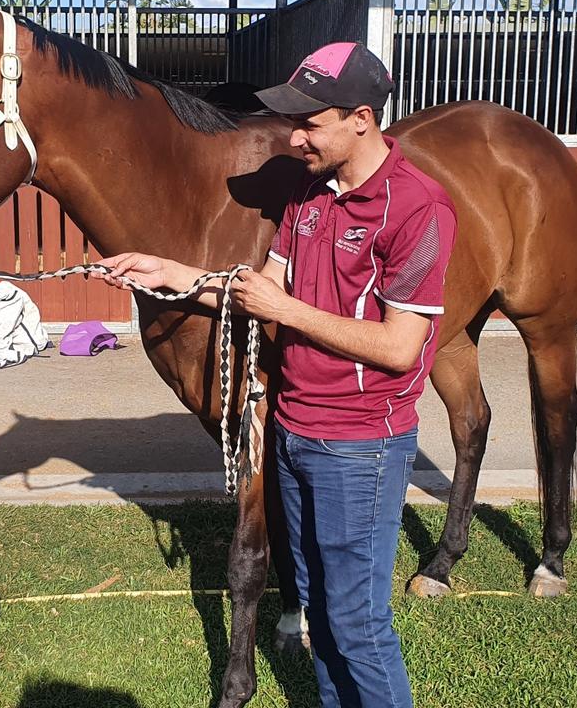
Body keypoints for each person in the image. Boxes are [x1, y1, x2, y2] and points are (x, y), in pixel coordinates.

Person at [93, 42, 456, 708]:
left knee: (359, 625)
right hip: (291, 436)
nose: (293, 137)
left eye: (310, 122)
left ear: (362, 119)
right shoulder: (308, 195)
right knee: (318, 612)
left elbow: (403, 347)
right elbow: (260, 288)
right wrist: (171, 275)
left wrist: (287, 311)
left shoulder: (418, 209)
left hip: (360, 447)